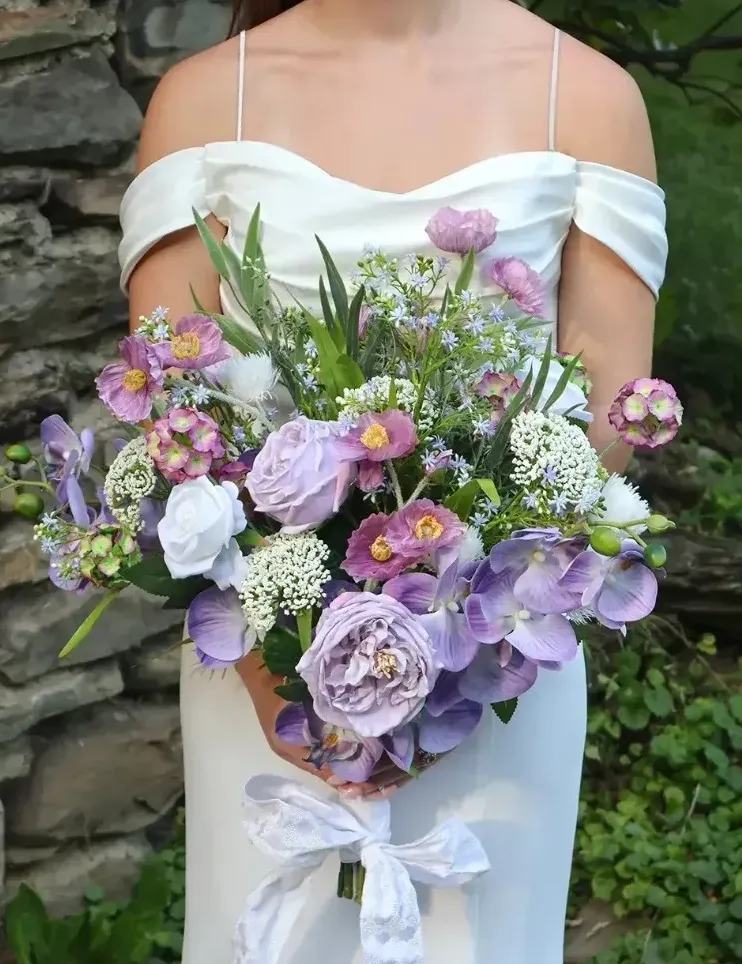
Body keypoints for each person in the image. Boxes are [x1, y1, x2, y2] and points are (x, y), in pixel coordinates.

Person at [119, 0, 668, 961]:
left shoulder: (586, 99)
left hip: (492, 667)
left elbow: (611, 415)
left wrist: (446, 660)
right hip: (265, 668)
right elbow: (173, 412)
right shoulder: (203, 101)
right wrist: (286, 675)